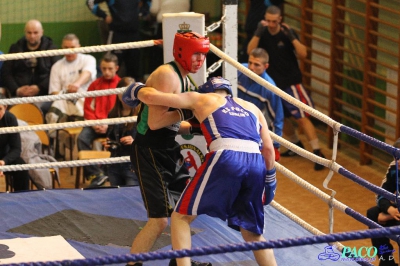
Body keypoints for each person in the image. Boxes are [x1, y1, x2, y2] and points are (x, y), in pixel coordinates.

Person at [125, 76, 278, 266]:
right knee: (252, 233)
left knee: (180, 217)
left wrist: (137, 89)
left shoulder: (201, 99)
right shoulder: (252, 107)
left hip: (226, 156)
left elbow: (152, 98)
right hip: (256, 163)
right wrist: (270, 179)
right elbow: (269, 150)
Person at [122, 31, 211, 266]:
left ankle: (179, 261)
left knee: (187, 209)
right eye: (196, 55)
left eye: (203, 55)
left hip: (168, 148)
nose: (200, 61)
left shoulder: (183, 77)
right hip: (149, 152)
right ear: (182, 52)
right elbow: (155, 122)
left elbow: (170, 124)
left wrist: (194, 126)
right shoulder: (167, 75)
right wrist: (189, 110)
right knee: (159, 220)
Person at [247, 5, 325, 171]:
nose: (271, 24)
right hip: (273, 85)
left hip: (291, 82)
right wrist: (258, 32)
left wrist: (292, 37)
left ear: (280, 19)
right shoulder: (262, 32)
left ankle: (318, 152)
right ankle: (296, 144)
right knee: (280, 117)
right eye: (268, 21)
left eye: (274, 21)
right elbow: (250, 52)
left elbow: (303, 54)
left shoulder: (286, 33)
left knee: (302, 117)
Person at [76, 53, 120, 187]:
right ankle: (97, 174)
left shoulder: (122, 84)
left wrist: (109, 124)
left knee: (117, 141)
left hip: (113, 125)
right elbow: (87, 107)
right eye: (104, 68)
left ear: (116, 68)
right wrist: (95, 124)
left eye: (110, 69)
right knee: (81, 138)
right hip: (95, 123)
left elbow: (123, 110)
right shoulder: (94, 84)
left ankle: (108, 172)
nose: (106, 72)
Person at [0, 19, 61, 115]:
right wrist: (17, 90)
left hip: (43, 96)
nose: (32, 36)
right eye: (29, 32)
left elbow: (57, 72)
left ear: (42, 32)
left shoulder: (51, 49)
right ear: (25, 32)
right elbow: (6, 73)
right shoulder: (15, 48)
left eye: (35, 32)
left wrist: (40, 87)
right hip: (18, 97)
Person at [238, 47, 283, 161]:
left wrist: (275, 146)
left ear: (265, 66)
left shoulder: (269, 89)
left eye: (256, 65)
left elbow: (276, 118)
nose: (251, 68)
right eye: (250, 63)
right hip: (231, 120)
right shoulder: (238, 69)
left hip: (251, 128)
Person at [86, 0, 142, 81]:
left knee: (134, 69)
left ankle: (134, 92)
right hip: (117, 34)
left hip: (134, 34)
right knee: (110, 67)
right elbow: (90, 2)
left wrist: (143, 13)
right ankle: (108, 92)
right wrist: (104, 16)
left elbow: (148, 2)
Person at [366, 138, 400, 266]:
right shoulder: (394, 167)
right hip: (398, 210)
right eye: (396, 157)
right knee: (373, 214)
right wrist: (389, 210)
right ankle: (386, 261)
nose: (399, 161)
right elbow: (381, 194)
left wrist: (389, 215)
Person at [103, 77, 139, 187]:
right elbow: (109, 135)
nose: (126, 95)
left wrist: (135, 141)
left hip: (132, 163)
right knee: (115, 197)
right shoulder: (112, 113)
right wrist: (108, 143)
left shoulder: (142, 113)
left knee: (132, 197)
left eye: (130, 92)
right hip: (114, 162)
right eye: (123, 92)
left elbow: (150, 138)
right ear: (117, 92)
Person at [148, 0, 190, 73]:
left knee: (161, 54)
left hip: (165, 23)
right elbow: (188, 7)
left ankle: (162, 76)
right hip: (183, 26)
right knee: (181, 53)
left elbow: (154, 10)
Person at [0, 94, 31, 191]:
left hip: (4, 157)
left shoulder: (10, 119)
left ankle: (22, 200)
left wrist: (3, 161)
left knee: (21, 167)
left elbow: (16, 148)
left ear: (5, 107)